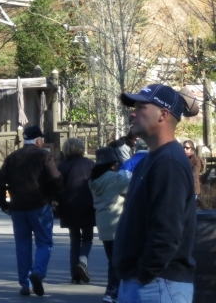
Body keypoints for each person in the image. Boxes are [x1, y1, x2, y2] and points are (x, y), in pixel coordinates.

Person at [113, 84, 196, 303]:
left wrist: (144, 273)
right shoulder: (151, 160)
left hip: (158, 285)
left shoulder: (169, 162)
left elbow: (167, 230)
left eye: (142, 107)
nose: (133, 112)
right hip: (143, 283)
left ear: (164, 114)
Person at [0, 124, 62, 297]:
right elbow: (55, 179)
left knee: (23, 246)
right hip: (40, 205)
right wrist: (57, 198)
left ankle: (25, 284)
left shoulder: (11, 158)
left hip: (17, 208)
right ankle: (37, 273)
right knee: (44, 243)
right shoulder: (44, 157)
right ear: (38, 140)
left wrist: (4, 205)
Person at [90, 145, 131, 303]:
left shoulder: (94, 180)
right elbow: (132, 183)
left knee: (112, 260)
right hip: (116, 223)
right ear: (112, 164)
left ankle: (112, 291)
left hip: (103, 224)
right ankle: (113, 292)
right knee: (119, 261)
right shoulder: (114, 178)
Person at [58, 138, 95, 284]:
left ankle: (74, 275)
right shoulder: (90, 164)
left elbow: (58, 186)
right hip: (87, 204)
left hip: (69, 206)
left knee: (74, 239)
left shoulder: (62, 166)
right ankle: (82, 261)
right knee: (87, 237)